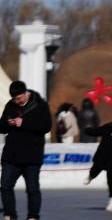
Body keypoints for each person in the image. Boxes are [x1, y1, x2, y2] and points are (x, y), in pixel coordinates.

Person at [1, 80, 52, 220]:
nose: (16, 101)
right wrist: (7, 123)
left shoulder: (40, 105)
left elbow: (46, 126)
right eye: (14, 98)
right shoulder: (10, 105)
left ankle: (33, 216)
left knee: (32, 189)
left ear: (25, 93)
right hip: (11, 155)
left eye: (19, 98)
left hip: (32, 155)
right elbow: (1, 127)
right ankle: (9, 215)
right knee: (5, 187)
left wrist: (24, 123)